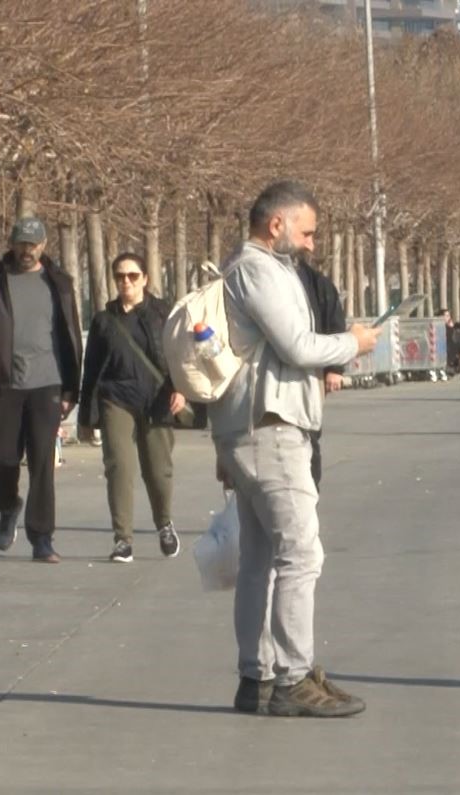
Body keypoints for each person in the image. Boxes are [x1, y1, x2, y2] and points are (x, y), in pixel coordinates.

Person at [212, 181, 379, 718]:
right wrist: (355, 342)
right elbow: (298, 347)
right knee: (301, 554)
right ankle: (292, 677)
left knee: (261, 557)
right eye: (306, 231)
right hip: (273, 425)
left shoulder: (264, 269)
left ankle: (257, 676)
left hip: (259, 424)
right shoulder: (257, 270)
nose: (311, 243)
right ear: (276, 224)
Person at [0, 217, 81, 563]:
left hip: (48, 383)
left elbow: (71, 335)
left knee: (43, 460)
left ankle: (42, 537)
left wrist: (72, 388)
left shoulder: (59, 282)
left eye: (33, 244)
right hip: (3, 383)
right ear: (12, 244)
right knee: (2, 456)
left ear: (44, 245)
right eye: (21, 244)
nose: (27, 251)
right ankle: (8, 505)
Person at [77, 253, 184, 563]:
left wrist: (182, 390)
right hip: (116, 400)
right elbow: (92, 369)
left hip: (157, 400)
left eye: (133, 276)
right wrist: (86, 417)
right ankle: (122, 539)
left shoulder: (164, 313)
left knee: (158, 471)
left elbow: (182, 355)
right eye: (120, 276)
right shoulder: (104, 320)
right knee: (119, 469)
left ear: (146, 279)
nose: (126, 281)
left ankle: (164, 523)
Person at [295, 251, 346, 488]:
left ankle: (309, 491)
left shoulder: (316, 282)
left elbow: (334, 322)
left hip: (310, 372)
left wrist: (334, 368)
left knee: (308, 432)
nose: (312, 244)